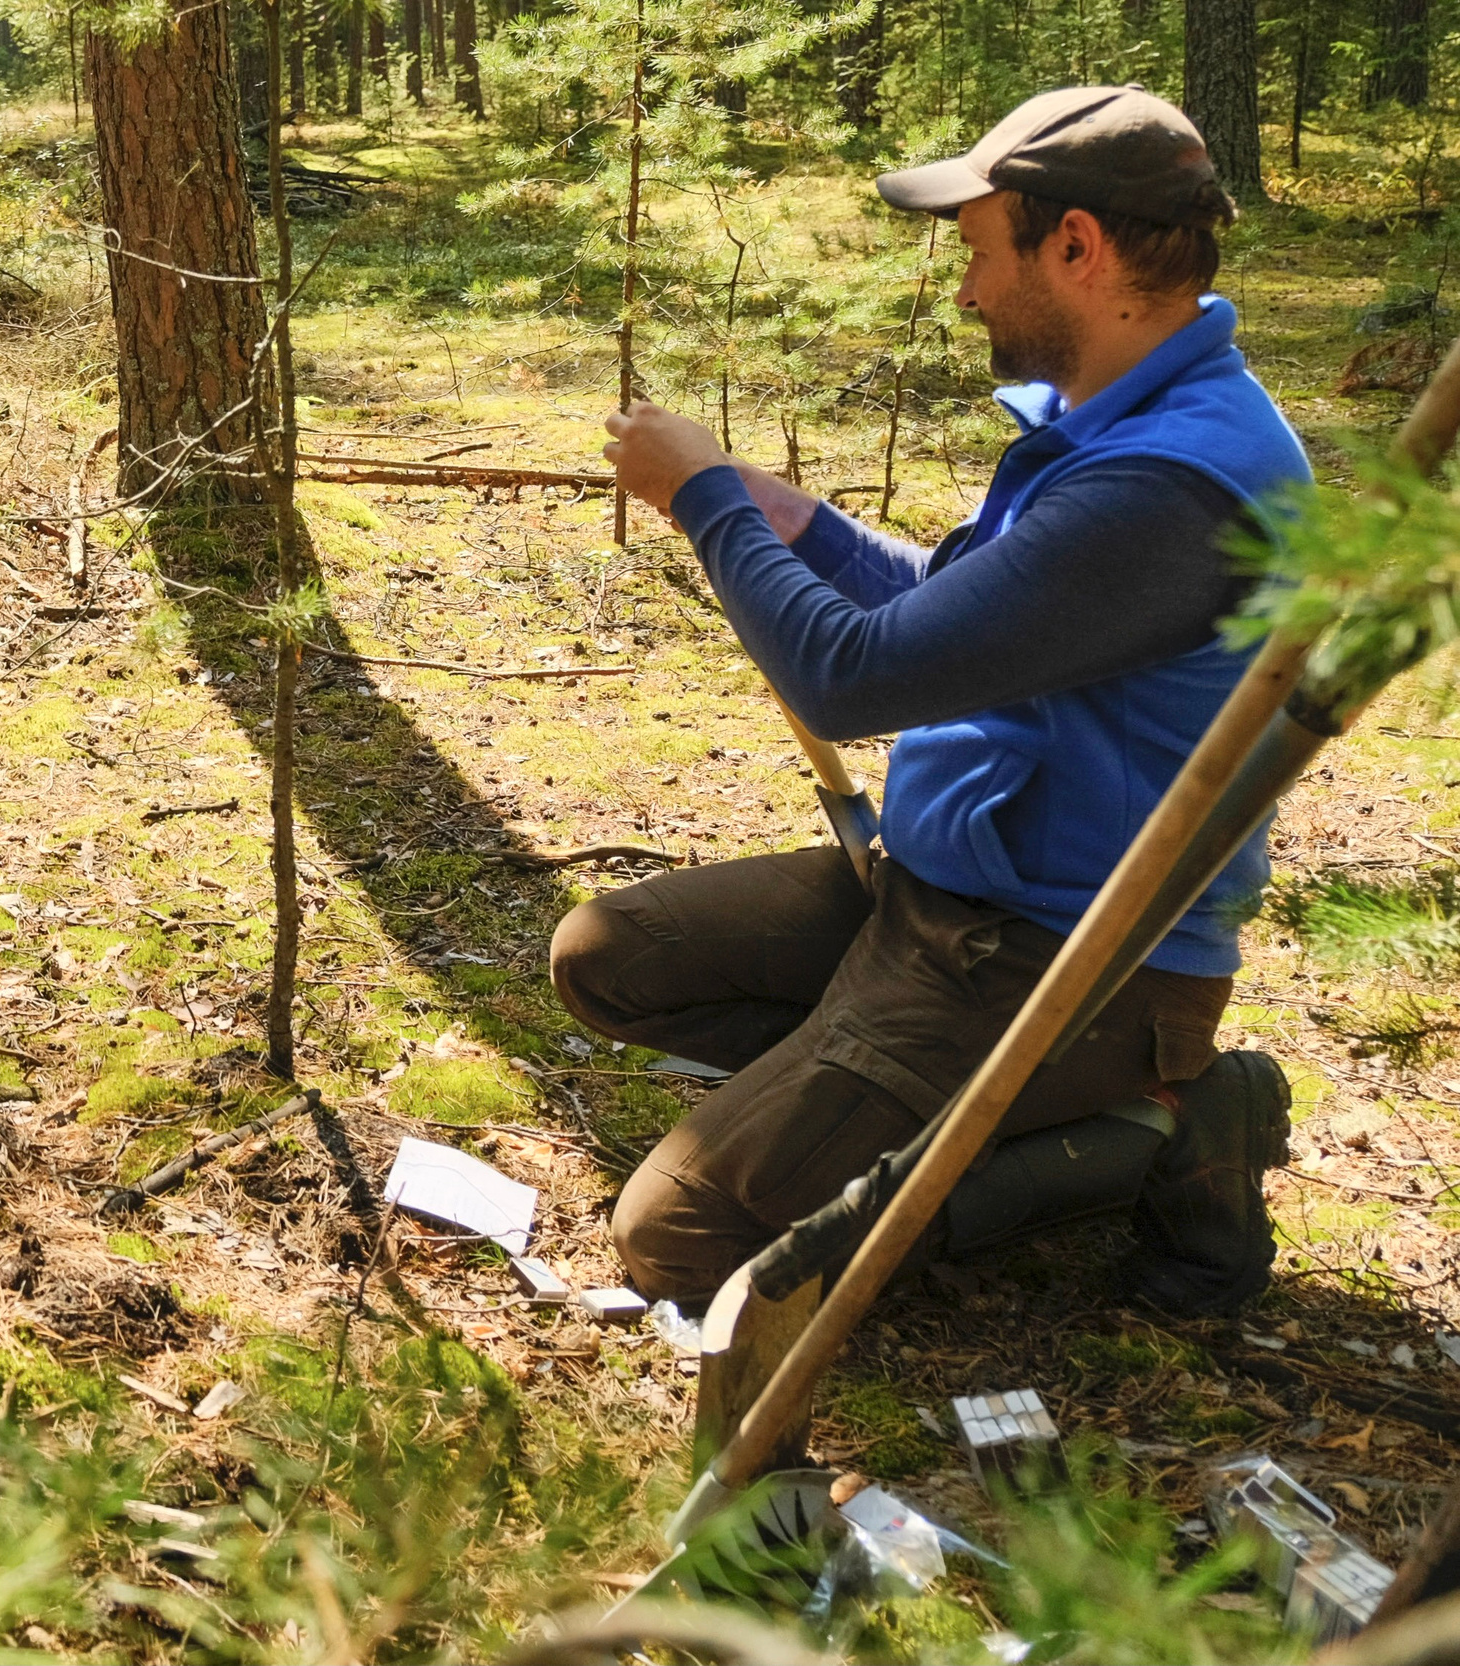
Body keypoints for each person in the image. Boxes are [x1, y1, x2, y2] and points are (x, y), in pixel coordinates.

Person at [554, 86, 1310, 1319]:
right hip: (934, 895)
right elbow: (957, 611)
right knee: (608, 960)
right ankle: (877, 1093)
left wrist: (706, 500)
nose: (964, 291)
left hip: (1059, 959)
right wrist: (801, 523)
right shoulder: (1116, 421)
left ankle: (1151, 1131)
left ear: (1076, 245)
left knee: (681, 1237)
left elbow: (850, 677)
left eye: (976, 250)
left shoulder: (1169, 481)